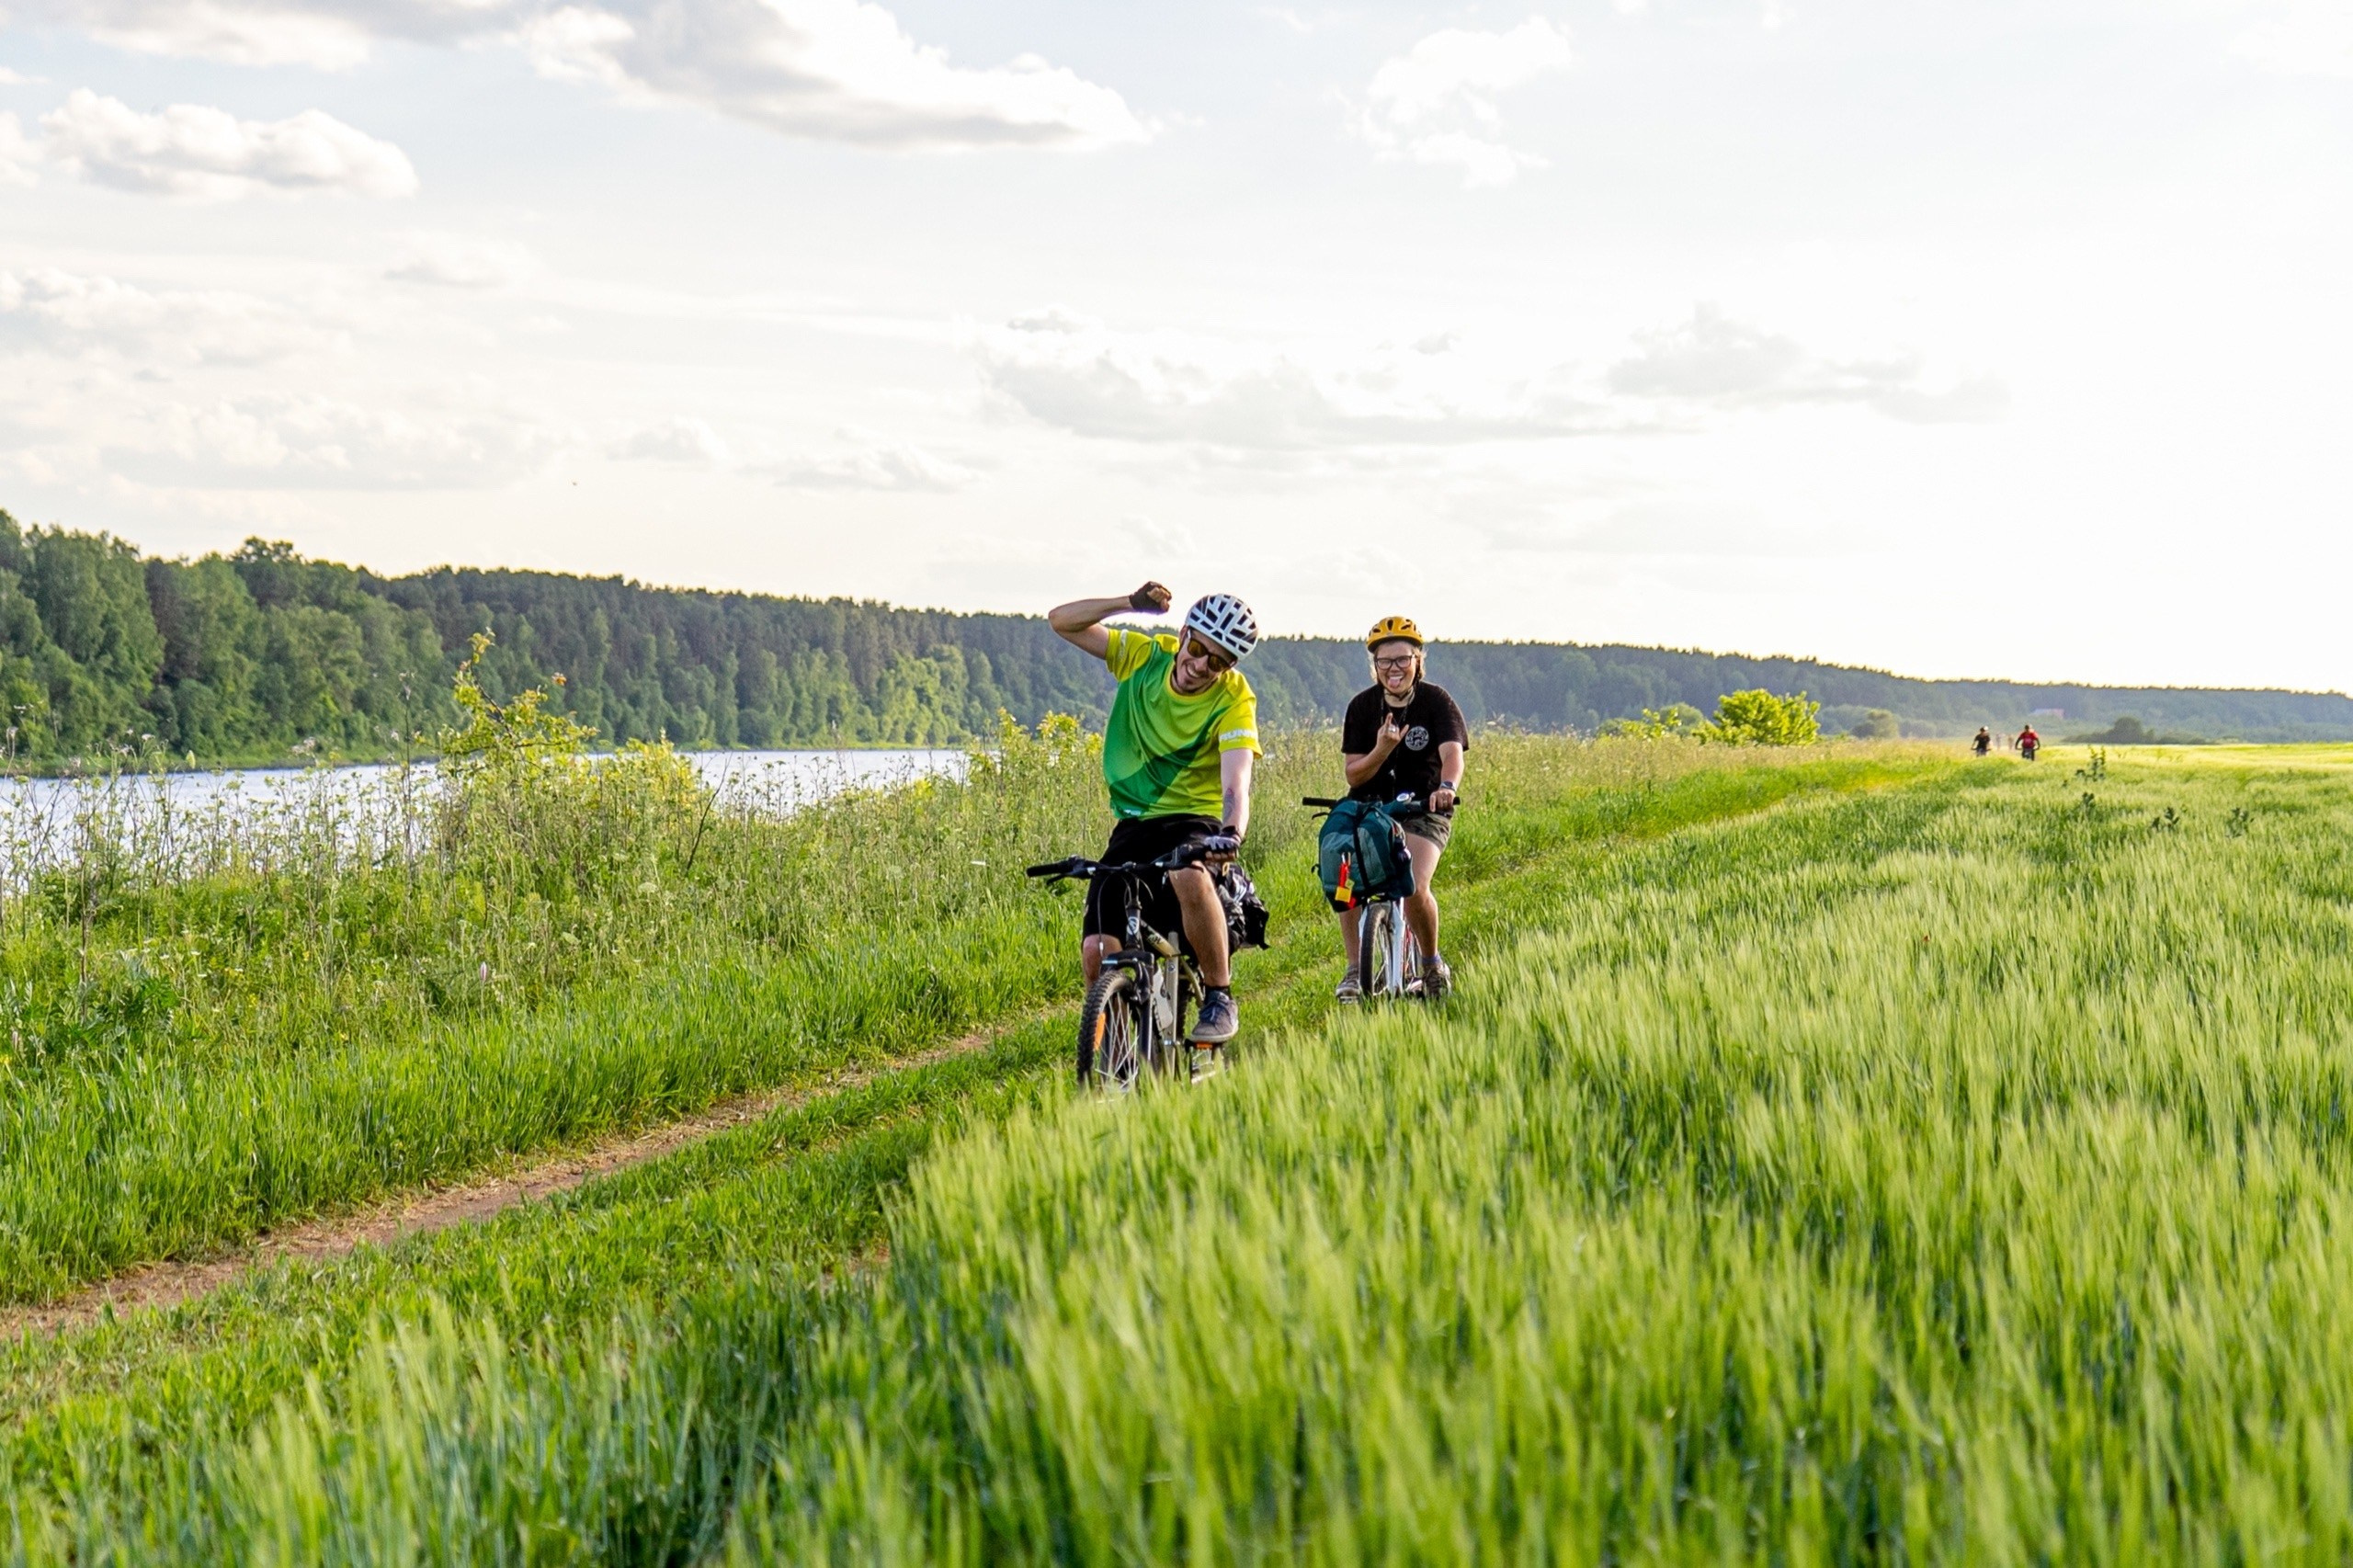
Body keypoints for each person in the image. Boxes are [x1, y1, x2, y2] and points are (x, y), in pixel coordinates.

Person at [1048, 582, 1261, 1055]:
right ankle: (1118, 1054)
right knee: (1096, 951)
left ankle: (1219, 995)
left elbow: (1236, 783)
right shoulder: (1145, 656)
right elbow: (1061, 620)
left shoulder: (1234, 698)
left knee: (1188, 873)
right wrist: (1129, 604)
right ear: (1183, 635)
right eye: (1199, 649)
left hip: (1194, 820)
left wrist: (1231, 834)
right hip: (1134, 824)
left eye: (1218, 662)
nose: (1201, 666)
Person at [1336, 615, 1466, 1001]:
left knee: (1413, 885)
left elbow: (1452, 755)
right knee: (1344, 881)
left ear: (1417, 661)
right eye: (1384, 661)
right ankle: (1354, 969)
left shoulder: (1436, 702)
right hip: (1370, 808)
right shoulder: (1362, 707)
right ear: (1374, 665)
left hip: (1424, 809)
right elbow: (1354, 773)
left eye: (1402, 660)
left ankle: (1431, 963)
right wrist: (1382, 750)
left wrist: (1446, 787)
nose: (1393, 669)